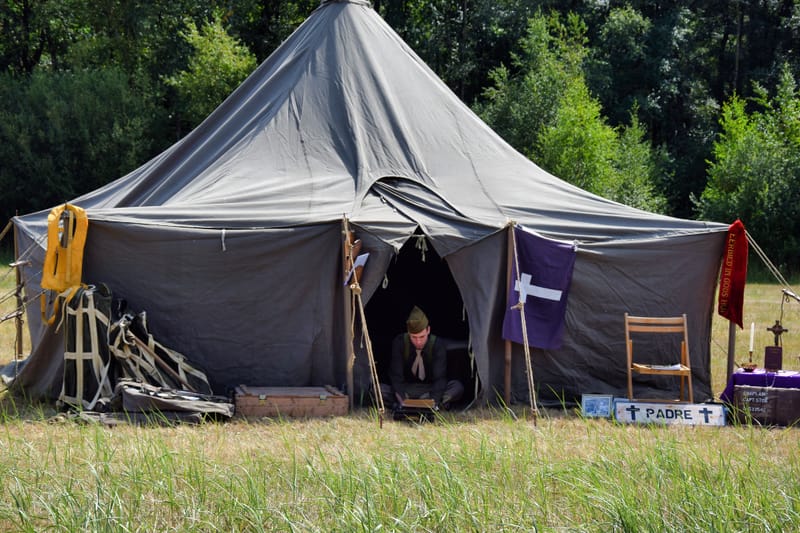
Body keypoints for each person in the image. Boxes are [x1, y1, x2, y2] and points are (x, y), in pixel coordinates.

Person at [380, 305, 464, 410]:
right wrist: (403, 400)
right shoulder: (400, 342)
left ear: (428, 330)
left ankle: (434, 404)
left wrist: (433, 401)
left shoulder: (437, 344)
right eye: (414, 337)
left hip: (429, 390)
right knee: (379, 390)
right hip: (406, 389)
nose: (418, 342)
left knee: (457, 387)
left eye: (422, 337)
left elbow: (440, 379)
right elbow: (396, 377)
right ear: (408, 332)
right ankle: (403, 405)